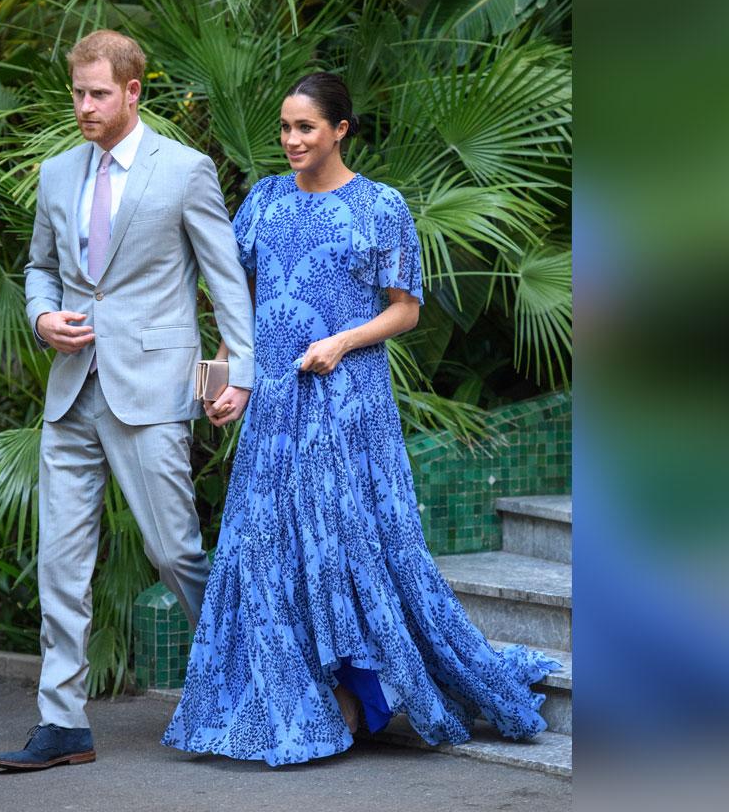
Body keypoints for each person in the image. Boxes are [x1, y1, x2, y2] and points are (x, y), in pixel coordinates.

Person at [162, 72, 560, 766]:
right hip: (276, 408)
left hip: (347, 403)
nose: (290, 141)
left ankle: (364, 695)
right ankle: (296, 696)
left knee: (348, 545)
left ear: (340, 130)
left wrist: (342, 341)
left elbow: (406, 309)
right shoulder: (262, 203)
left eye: (305, 128)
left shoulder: (380, 206)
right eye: (284, 128)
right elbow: (242, 305)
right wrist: (228, 380)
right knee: (266, 546)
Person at [0, 30, 255, 771]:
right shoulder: (55, 174)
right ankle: (63, 722)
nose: (84, 105)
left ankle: (240, 679)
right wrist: (42, 315)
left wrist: (233, 376)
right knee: (61, 564)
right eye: (77, 92)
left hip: (152, 390)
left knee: (174, 551)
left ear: (134, 91)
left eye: (98, 93)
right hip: (71, 393)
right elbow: (39, 269)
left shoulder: (186, 170)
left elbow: (224, 283)